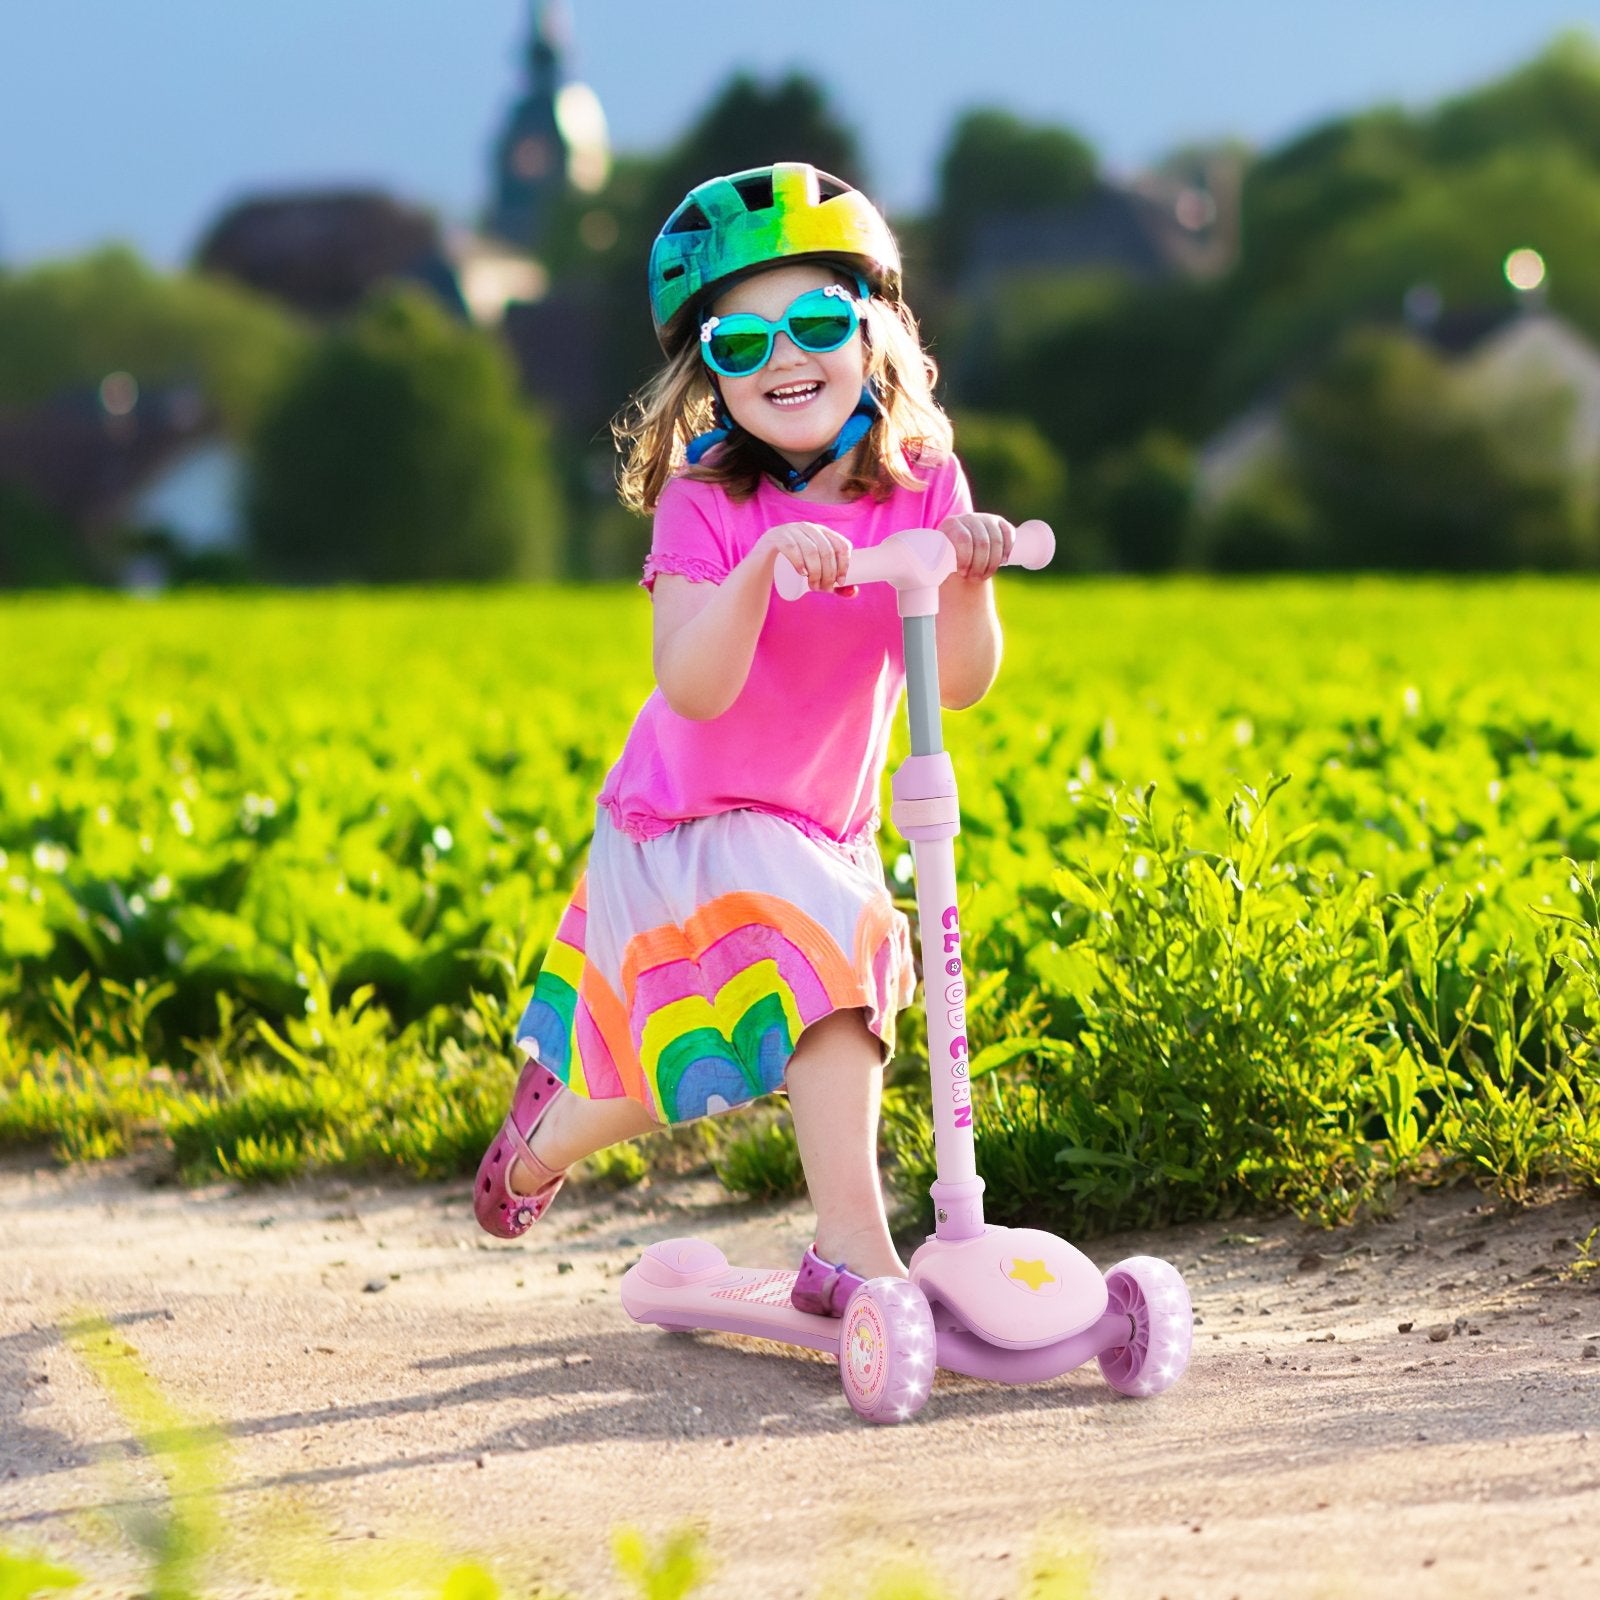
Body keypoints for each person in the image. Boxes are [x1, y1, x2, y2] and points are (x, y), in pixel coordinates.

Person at [474, 162, 1017, 1314]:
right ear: (704, 373)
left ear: (871, 333)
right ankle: (853, 1254)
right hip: (687, 820)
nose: (785, 359)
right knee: (840, 964)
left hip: (824, 828)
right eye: (741, 342)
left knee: (691, 1066)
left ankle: (539, 1142)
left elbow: (959, 685)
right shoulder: (708, 505)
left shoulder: (920, 482)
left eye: (817, 321)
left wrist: (964, 575)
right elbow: (693, 686)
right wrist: (763, 570)